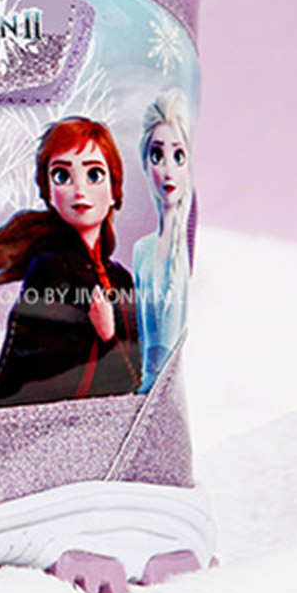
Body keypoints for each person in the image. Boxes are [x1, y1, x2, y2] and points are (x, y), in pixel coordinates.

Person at [0, 117, 140, 406]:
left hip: (107, 422)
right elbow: (32, 373)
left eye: (94, 174)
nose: (79, 190)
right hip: (48, 424)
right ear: (48, 192)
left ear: (114, 190)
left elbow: (136, 380)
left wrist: (108, 334)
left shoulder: (120, 279)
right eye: (62, 176)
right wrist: (106, 336)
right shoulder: (51, 267)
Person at [133, 90, 192, 391]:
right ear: (146, 163)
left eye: (179, 156)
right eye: (157, 156)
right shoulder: (142, 250)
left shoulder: (188, 247)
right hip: (145, 392)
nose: (168, 171)